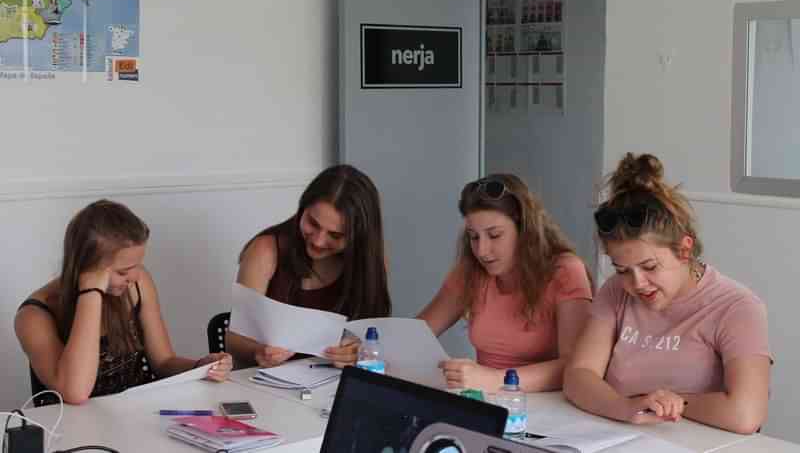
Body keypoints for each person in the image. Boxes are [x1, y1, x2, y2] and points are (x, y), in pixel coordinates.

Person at [564, 153, 771, 434]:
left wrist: (674, 403)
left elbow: (746, 414)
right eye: (622, 269)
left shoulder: (737, 307)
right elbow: (578, 376)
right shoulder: (615, 291)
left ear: (685, 250)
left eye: (649, 266)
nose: (637, 283)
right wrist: (625, 407)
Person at [15, 200, 232, 405]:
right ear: (87, 268)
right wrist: (91, 292)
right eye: (123, 271)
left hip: (136, 412)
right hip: (75, 429)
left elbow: (163, 361)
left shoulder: (136, 285)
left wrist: (200, 367)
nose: (136, 276)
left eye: (138, 265)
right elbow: (75, 392)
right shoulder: (34, 316)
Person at [418, 174, 593, 392]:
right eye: (474, 237)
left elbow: (576, 367)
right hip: (489, 404)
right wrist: (371, 346)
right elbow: (417, 333)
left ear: (525, 230)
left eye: (494, 235)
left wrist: (494, 380)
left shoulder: (565, 270)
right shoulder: (471, 271)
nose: (482, 251)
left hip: (547, 410)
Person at [226, 164, 392, 369]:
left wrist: (358, 350)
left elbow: (378, 335)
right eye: (313, 223)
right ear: (302, 208)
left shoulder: (370, 263)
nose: (319, 241)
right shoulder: (265, 251)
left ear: (358, 237)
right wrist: (259, 351)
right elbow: (234, 339)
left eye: (336, 235)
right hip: (267, 384)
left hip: (334, 385)